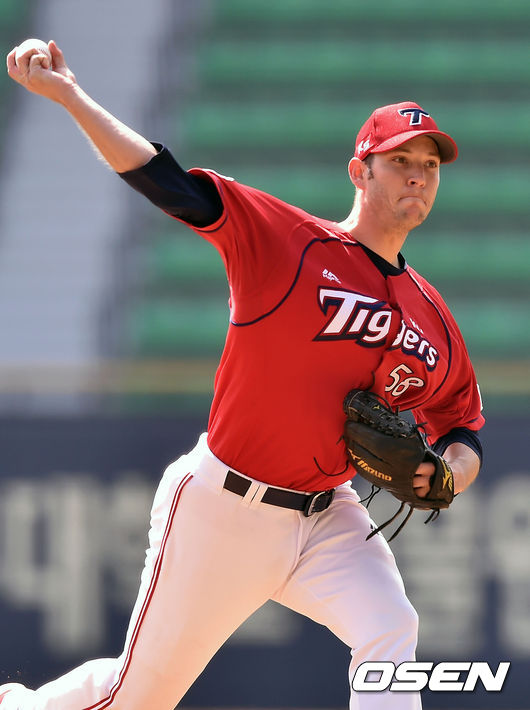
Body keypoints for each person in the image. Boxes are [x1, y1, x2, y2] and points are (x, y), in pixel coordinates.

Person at [3, 40, 484, 710]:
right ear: (359, 171)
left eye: (429, 165)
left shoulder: (432, 318)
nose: (417, 176)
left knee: (391, 627)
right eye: (399, 160)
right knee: (136, 697)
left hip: (328, 514)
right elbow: (166, 180)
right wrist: (70, 96)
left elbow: (462, 426)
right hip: (226, 508)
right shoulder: (287, 241)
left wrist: (449, 474)